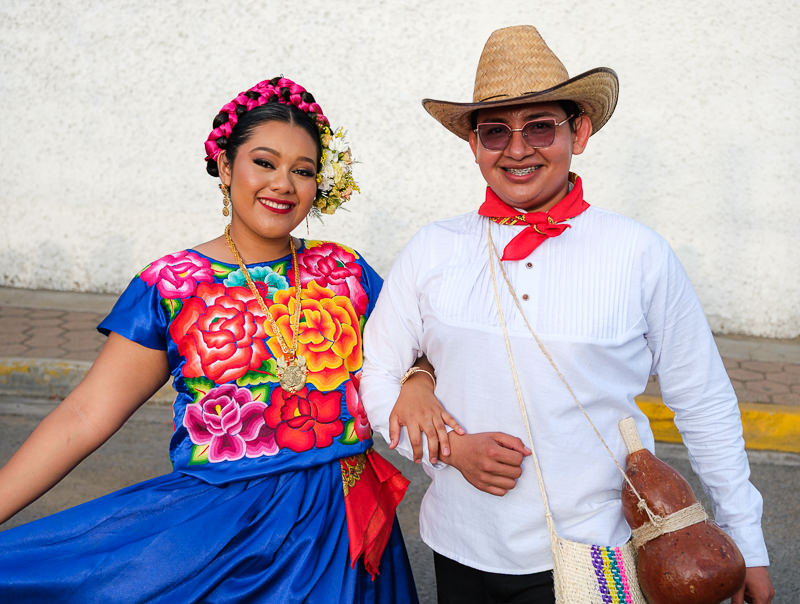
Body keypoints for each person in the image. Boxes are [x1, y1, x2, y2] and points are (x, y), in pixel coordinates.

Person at [359, 26, 774, 604]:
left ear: (578, 131)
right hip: (462, 543)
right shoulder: (434, 248)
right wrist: (451, 449)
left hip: (602, 549)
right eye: (495, 130)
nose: (517, 149)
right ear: (474, 145)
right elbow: (376, 373)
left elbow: (702, 400)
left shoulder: (638, 253)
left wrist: (747, 542)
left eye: (540, 126)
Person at [0, 76, 419, 603]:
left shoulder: (346, 272)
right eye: (264, 163)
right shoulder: (173, 284)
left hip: (344, 531)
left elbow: (417, 349)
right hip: (224, 538)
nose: (283, 184)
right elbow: (85, 415)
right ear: (225, 167)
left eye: (303, 170)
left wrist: (419, 379)